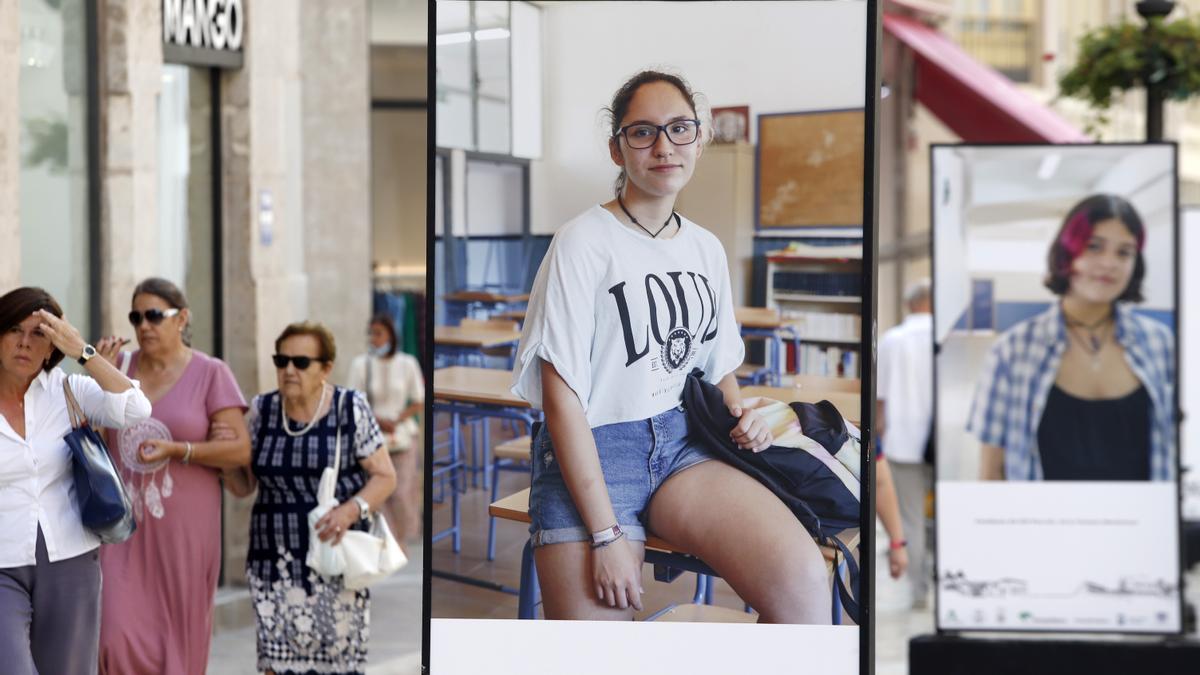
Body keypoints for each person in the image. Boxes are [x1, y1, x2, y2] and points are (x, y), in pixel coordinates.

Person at [511, 70, 832, 623]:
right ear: (617, 148)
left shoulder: (706, 248)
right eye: (643, 132)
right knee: (594, 658)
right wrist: (607, 533)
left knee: (803, 582)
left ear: (700, 139)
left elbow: (717, 370)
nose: (664, 146)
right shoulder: (581, 243)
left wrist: (743, 414)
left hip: (684, 443)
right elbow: (561, 400)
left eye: (680, 129)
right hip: (594, 451)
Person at [223, 321, 396, 675]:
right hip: (273, 560)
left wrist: (351, 510)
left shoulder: (350, 408)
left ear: (325, 368)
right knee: (275, 662)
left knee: (336, 664)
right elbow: (244, 487)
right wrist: (224, 458)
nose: (288, 370)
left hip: (334, 559)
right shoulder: (263, 410)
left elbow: (385, 476)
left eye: (300, 362)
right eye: (281, 360)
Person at [96, 278, 250, 675]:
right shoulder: (119, 370)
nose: (143, 325)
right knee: (113, 636)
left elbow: (239, 450)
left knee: (176, 643)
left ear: (182, 318)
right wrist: (100, 381)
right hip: (121, 532)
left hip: (185, 534)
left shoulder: (211, 373)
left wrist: (181, 450)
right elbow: (89, 437)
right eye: (136, 317)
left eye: (153, 315)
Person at [968, 194, 1175, 481]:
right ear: (1067, 252)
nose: (1109, 263)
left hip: (1141, 523)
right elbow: (992, 471)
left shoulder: (1160, 345)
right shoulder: (1013, 351)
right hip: (1044, 523)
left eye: (1124, 252)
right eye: (1094, 247)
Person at [0, 287, 151, 675]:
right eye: (14, 330)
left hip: (70, 558)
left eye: (39, 334)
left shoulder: (70, 390)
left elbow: (136, 408)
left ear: (53, 347)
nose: (24, 342)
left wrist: (83, 351)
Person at [877, 278, 932, 607]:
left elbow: (880, 398)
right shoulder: (949, 338)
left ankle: (919, 591)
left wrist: (878, 436)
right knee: (939, 517)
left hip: (903, 441)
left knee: (910, 517)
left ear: (911, 304)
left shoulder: (892, 340)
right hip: (944, 443)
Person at [348, 314, 424, 547]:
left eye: (379, 333)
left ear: (391, 335)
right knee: (379, 494)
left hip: (402, 436)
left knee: (401, 491)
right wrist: (379, 420)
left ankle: (403, 536)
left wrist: (397, 419)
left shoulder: (408, 363)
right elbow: (354, 400)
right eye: (371, 333)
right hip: (373, 437)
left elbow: (419, 399)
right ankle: (389, 543)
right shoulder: (361, 364)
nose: (374, 338)